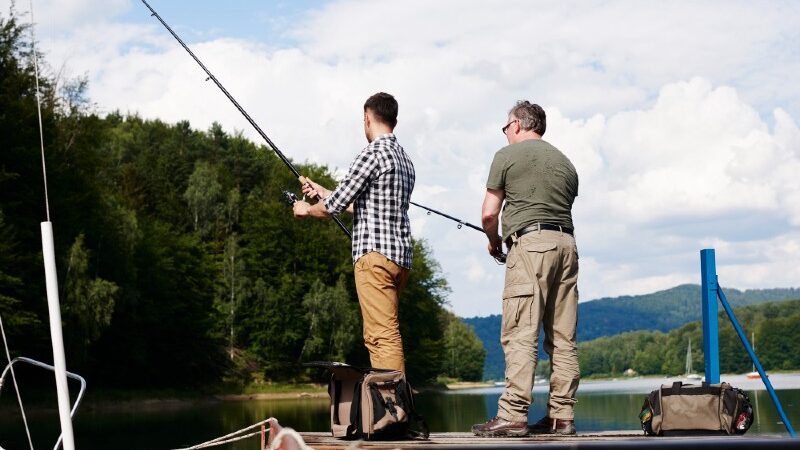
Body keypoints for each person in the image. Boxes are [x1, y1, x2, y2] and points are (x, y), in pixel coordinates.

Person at [472, 101, 580, 437]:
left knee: (521, 331)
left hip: (530, 246)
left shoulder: (507, 156)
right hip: (567, 247)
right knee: (563, 338)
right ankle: (562, 417)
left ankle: (513, 415)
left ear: (517, 125)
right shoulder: (566, 163)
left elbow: (489, 214)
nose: (505, 133)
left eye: (506, 127)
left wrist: (494, 242)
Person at [292, 92, 415, 373]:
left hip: (374, 258)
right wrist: (321, 191)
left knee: (380, 336)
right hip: (399, 259)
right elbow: (365, 205)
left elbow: (332, 207)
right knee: (388, 331)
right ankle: (395, 402)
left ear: (368, 118)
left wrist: (306, 209)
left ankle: (392, 407)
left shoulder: (372, 154)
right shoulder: (404, 160)